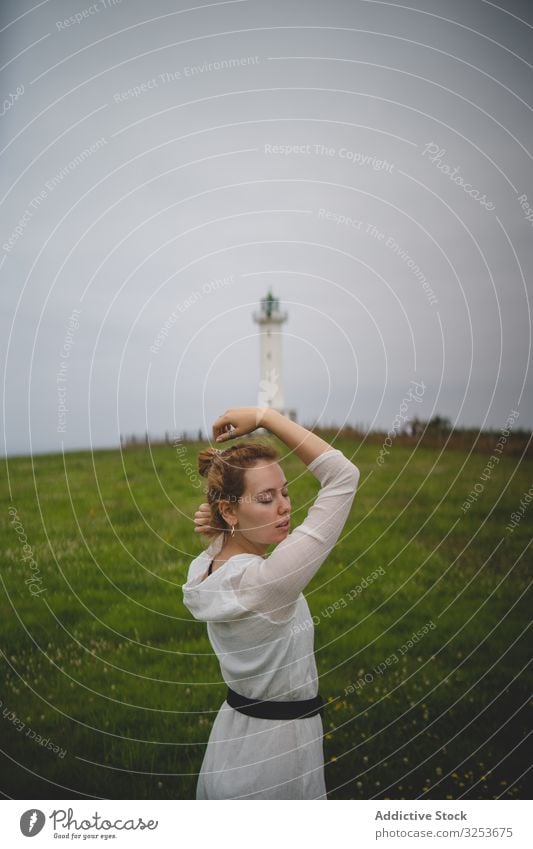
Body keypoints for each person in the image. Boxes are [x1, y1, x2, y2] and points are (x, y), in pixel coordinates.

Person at [181, 406, 360, 799]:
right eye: (265, 498)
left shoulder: (205, 569)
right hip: (278, 762)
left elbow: (229, 542)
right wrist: (266, 416)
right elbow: (343, 477)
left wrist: (224, 521)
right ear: (229, 509)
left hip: (231, 742)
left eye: (285, 492)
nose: (285, 507)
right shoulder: (270, 583)